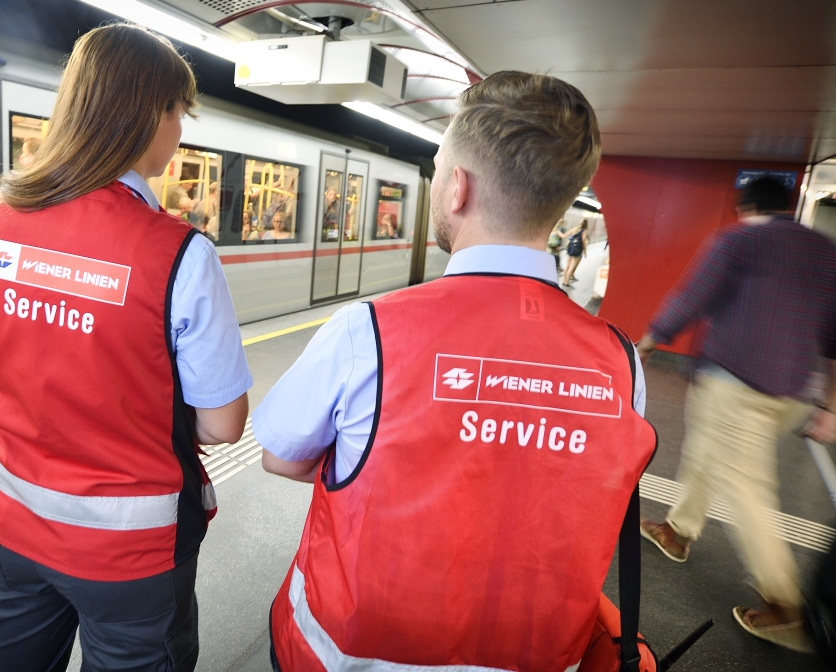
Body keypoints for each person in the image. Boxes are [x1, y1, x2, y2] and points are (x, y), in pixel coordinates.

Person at [0, 24, 252, 672]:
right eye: (181, 112)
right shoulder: (180, 252)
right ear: (153, 112)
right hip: (131, 553)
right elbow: (223, 424)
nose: (181, 130)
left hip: (11, 527)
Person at [254, 71, 656, 671]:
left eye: (439, 165)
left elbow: (282, 456)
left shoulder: (367, 331)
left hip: (350, 654)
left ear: (457, 189)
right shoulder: (622, 363)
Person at [636, 176, 836, 652]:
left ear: (746, 205)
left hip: (735, 381)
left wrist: (650, 338)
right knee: (710, 451)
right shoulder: (824, 251)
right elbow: (833, 334)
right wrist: (829, 403)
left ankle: (786, 604)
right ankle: (679, 531)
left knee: (743, 484)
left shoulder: (742, 238)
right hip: (792, 392)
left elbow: (695, 294)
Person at [561, 218, 588, 287]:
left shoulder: (574, 229)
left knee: (567, 266)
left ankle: (564, 281)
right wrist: (585, 251)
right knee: (571, 267)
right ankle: (566, 282)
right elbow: (583, 240)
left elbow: (564, 236)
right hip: (577, 251)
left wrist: (556, 231)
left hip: (570, 249)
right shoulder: (584, 230)